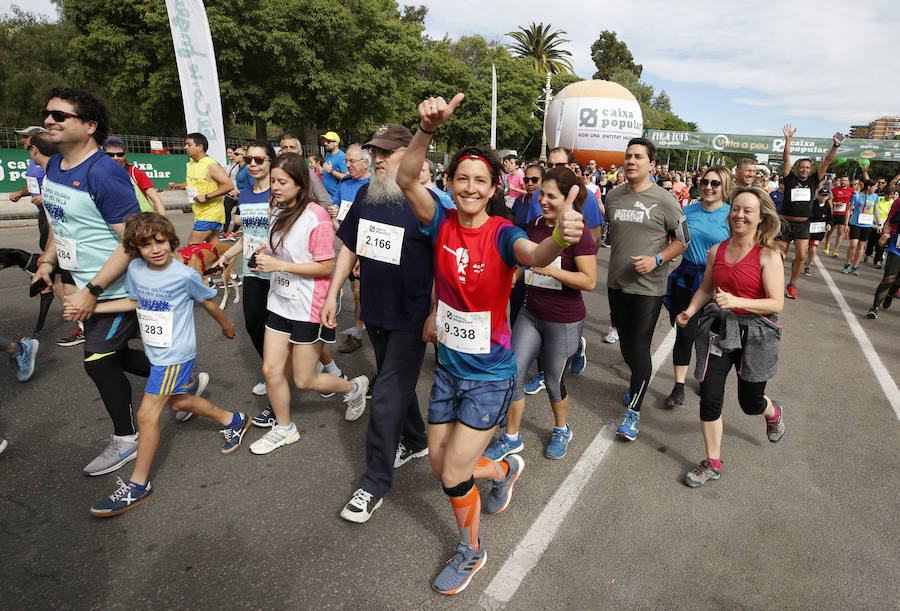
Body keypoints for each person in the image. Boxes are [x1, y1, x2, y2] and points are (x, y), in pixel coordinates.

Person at [396, 93, 584, 595]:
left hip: (490, 375)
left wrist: (561, 240)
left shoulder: (503, 234)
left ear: (494, 187)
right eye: (463, 178)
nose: (471, 187)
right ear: (451, 184)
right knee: (441, 466)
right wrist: (426, 129)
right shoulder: (438, 221)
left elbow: (535, 251)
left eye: (481, 180)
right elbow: (406, 177)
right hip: (449, 369)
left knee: (453, 472)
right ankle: (505, 468)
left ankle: (472, 551)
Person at [85, 212, 247, 517]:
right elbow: (136, 303)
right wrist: (95, 308)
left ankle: (137, 485)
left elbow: (208, 300)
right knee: (179, 402)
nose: (156, 249)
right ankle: (234, 420)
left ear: (170, 240)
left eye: (160, 241)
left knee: (146, 415)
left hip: (176, 353)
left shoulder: (184, 274)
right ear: (136, 249)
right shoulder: (134, 269)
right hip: (155, 351)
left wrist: (226, 325)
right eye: (146, 245)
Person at [33, 88, 159, 476]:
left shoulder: (104, 173)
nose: (50, 120)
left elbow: (132, 241)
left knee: (98, 361)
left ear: (89, 126)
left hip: (119, 289)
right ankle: (181, 383)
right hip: (85, 285)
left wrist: (91, 291)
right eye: (48, 113)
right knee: (116, 356)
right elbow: (60, 221)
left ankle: (127, 437)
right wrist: (47, 261)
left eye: (60, 115)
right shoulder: (55, 165)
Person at [318, 123, 434, 523]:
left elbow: (446, 264)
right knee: (392, 381)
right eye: (375, 152)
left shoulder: (428, 203)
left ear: (412, 154)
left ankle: (373, 483)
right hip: (376, 314)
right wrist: (334, 293)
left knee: (384, 398)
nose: (377, 159)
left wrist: (436, 313)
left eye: (387, 152)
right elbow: (350, 245)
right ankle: (417, 440)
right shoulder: (368, 193)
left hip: (411, 317)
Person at [248, 153, 368, 455]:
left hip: (308, 306)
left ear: (301, 184)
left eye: (282, 182)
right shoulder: (276, 210)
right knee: (271, 369)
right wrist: (262, 257)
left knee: (304, 379)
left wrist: (278, 264)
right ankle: (285, 428)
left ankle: (354, 388)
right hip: (279, 302)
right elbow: (281, 251)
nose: (274, 186)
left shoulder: (316, 216)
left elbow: (325, 267)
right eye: (273, 180)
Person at [484, 167, 597, 462]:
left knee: (554, 382)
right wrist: (514, 277)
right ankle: (511, 436)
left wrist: (550, 270)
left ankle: (562, 429)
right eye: (541, 194)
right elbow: (527, 261)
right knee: (514, 373)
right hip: (531, 314)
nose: (543, 200)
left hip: (564, 320)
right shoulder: (534, 225)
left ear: (566, 198)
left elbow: (589, 281)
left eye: (551, 196)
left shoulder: (577, 232)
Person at [676, 187, 785, 487]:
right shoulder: (717, 251)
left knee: (749, 402)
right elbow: (705, 289)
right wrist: (689, 311)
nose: (739, 215)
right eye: (735, 208)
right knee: (710, 396)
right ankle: (712, 462)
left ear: (760, 217)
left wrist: (738, 302)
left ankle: (771, 411)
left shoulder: (769, 254)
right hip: (720, 330)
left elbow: (776, 303)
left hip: (757, 334)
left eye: (747, 210)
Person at [605, 137, 689, 441]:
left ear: (651, 165)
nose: (631, 161)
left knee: (639, 347)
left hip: (649, 287)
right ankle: (638, 378)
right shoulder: (613, 198)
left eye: (638, 157)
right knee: (626, 347)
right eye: (628, 156)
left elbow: (682, 240)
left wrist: (657, 259)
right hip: (617, 283)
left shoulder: (665, 199)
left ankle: (634, 412)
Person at [662, 166, 732, 408]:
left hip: (719, 283)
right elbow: (673, 238)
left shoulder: (731, 215)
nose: (708, 187)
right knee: (685, 333)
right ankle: (679, 387)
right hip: (687, 277)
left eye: (715, 183)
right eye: (705, 182)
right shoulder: (686, 211)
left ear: (724, 187)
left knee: (711, 339)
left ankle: (704, 378)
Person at [780, 125, 840, 299]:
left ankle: (792, 285)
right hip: (785, 223)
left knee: (801, 256)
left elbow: (827, 161)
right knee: (779, 256)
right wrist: (788, 140)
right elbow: (786, 159)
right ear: (797, 168)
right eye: (801, 167)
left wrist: (835, 146)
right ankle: (775, 282)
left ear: (810, 169)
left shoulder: (814, 180)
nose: (804, 169)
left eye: (807, 167)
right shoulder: (790, 178)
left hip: (804, 224)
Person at [331, 144, 373, 354]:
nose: (347, 165)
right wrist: (334, 213)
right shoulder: (345, 183)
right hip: (348, 243)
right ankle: (361, 328)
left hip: (368, 247)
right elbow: (335, 209)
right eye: (346, 161)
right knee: (356, 292)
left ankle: (360, 332)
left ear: (366, 162)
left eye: (352, 161)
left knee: (360, 291)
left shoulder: (375, 184)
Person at [166, 133, 235, 245]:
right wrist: (177, 185)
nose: (185, 147)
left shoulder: (211, 165)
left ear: (200, 147)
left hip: (210, 214)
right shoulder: (191, 164)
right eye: (185, 144)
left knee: (192, 245)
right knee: (213, 248)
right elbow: (191, 183)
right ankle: (225, 260)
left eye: (189, 144)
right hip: (199, 214)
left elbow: (228, 185)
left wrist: (206, 197)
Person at [102, 136, 166, 215]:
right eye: (110, 155)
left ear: (125, 153)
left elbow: (156, 200)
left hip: (140, 221)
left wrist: (163, 224)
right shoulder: (99, 174)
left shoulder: (135, 173)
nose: (115, 158)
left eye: (120, 154)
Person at [865, 192, 900, 319]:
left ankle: (890, 294)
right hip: (896, 247)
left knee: (897, 281)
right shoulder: (899, 202)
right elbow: (889, 223)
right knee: (889, 277)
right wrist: (885, 236)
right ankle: (874, 308)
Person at [278, 134, 334, 207]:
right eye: (285, 147)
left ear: (300, 151)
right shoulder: (276, 172)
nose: (288, 151)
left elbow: (326, 203)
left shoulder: (309, 174)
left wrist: (307, 214)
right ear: (281, 151)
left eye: (292, 147)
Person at [841, 179, 880, 275]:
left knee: (861, 246)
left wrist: (879, 224)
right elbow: (849, 210)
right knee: (853, 245)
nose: (876, 188)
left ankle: (855, 266)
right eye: (875, 186)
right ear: (869, 187)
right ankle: (847, 264)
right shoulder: (856, 195)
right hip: (855, 224)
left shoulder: (875, 197)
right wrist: (846, 224)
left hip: (867, 225)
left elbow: (876, 210)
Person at [802, 188, 832, 276]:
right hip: (808, 229)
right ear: (818, 195)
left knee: (813, 248)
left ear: (828, 197)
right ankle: (799, 259)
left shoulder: (827, 206)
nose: (823, 197)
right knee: (803, 248)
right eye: (822, 195)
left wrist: (829, 224)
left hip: (819, 232)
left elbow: (830, 218)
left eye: (825, 195)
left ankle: (807, 267)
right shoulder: (812, 204)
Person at [824, 175, 853, 257]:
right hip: (834, 213)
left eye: (845, 180)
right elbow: (829, 201)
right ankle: (827, 244)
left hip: (843, 214)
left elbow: (853, 202)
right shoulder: (834, 190)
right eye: (842, 180)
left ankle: (836, 250)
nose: (843, 182)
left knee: (840, 233)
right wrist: (835, 203)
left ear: (848, 182)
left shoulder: (851, 191)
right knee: (830, 232)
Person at [320, 131, 348, 198]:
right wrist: (323, 172)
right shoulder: (328, 154)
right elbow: (328, 170)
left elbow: (347, 177)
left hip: (336, 198)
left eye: (328, 141)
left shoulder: (342, 157)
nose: (325, 143)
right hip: (327, 196)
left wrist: (331, 171)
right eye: (324, 141)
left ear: (336, 143)